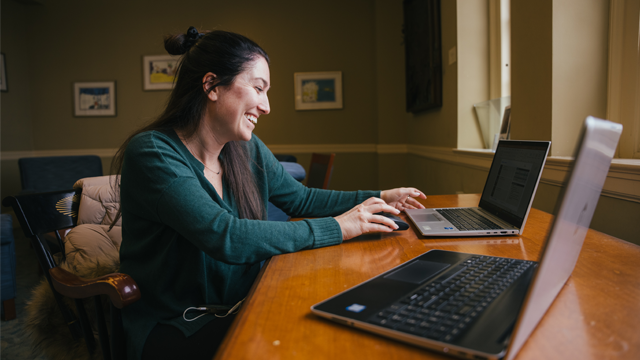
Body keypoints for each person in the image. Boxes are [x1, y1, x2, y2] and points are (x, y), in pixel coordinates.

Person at [111, 26, 427, 360]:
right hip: (177, 325)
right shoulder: (153, 153)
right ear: (212, 85)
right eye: (259, 89)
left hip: (244, 302)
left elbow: (301, 199)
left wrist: (378, 196)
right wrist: (339, 227)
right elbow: (225, 235)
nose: (266, 106)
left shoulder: (243, 149)